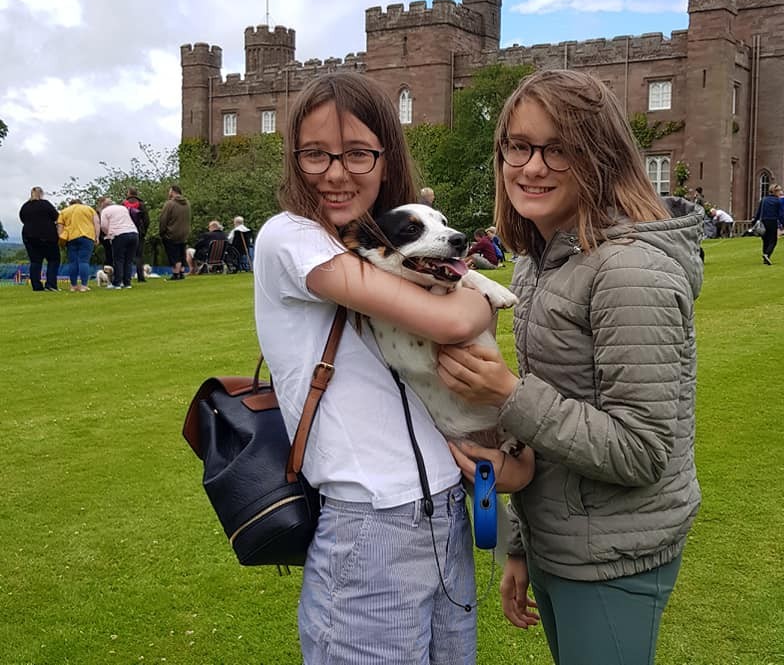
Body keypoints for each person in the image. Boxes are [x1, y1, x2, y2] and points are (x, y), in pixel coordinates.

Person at [252, 73, 534, 665]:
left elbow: (458, 304)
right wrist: (467, 287)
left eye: (357, 152)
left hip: (448, 512)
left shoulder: (389, 245)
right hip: (369, 525)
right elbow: (457, 321)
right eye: (314, 154)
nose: (334, 172)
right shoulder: (291, 237)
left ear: (386, 155)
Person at [436, 69, 702, 665]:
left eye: (559, 148)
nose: (532, 166)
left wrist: (509, 393)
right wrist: (521, 544)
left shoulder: (629, 271)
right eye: (519, 146)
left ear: (599, 155)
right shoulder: (538, 261)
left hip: (613, 554)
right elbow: (547, 437)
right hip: (560, 541)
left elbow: (642, 449)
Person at [19, 186, 61, 292]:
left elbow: (22, 219)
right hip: (47, 236)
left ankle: (36, 285)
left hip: (29, 236)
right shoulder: (45, 204)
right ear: (41, 194)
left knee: (35, 261)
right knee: (53, 259)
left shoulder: (25, 206)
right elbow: (57, 217)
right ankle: (51, 284)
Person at [57, 198, 100, 292]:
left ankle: (74, 286)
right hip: (87, 236)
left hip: (71, 238)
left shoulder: (64, 211)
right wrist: (97, 236)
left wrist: (60, 239)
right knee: (83, 261)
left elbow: (60, 226)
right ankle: (84, 286)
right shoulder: (89, 209)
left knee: (73, 262)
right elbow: (96, 223)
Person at [98, 197, 140, 289]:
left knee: (118, 259)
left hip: (119, 235)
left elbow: (103, 226)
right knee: (128, 260)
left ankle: (117, 283)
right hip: (134, 233)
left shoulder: (105, 211)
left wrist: (108, 234)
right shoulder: (123, 208)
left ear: (102, 205)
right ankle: (127, 283)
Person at [159, 185, 191, 280]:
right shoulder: (187, 204)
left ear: (173, 192)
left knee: (173, 253)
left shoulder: (170, 204)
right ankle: (181, 271)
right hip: (184, 233)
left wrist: (162, 232)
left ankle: (175, 273)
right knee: (181, 252)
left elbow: (163, 219)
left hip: (172, 233)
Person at [754, 183, 784, 264]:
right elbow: (781, 214)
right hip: (772, 221)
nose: (781, 192)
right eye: (779, 191)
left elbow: (758, 212)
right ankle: (767, 254)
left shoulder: (764, 199)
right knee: (773, 240)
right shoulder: (778, 201)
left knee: (765, 240)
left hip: (763, 221)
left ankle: (765, 257)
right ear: (776, 192)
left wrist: (754, 221)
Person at [123, 187, 150, 283]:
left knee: (126, 255)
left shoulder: (123, 204)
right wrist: (144, 231)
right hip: (138, 232)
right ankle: (140, 277)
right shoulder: (141, 204)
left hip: (125, 231)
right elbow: (146, 220)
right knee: (139, 255)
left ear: (129, 193)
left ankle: (126, 277)